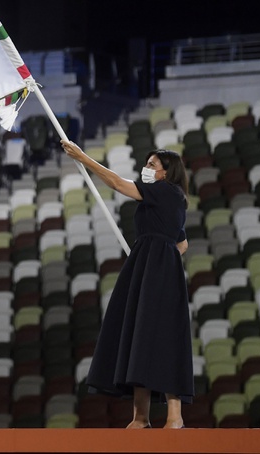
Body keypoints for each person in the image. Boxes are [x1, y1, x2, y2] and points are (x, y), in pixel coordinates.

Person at [60, 141, 192, 429]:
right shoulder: (171, 199)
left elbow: (119, 184)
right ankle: (141, 417)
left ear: (166, 174)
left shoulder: (167, 192)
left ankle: (174, 416)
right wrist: (161, 252)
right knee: (138, 335)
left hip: (155, 267)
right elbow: (182, 242)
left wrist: (83, 158)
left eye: (152, 165)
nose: (146, 169)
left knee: (161, 337)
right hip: (149, 265)